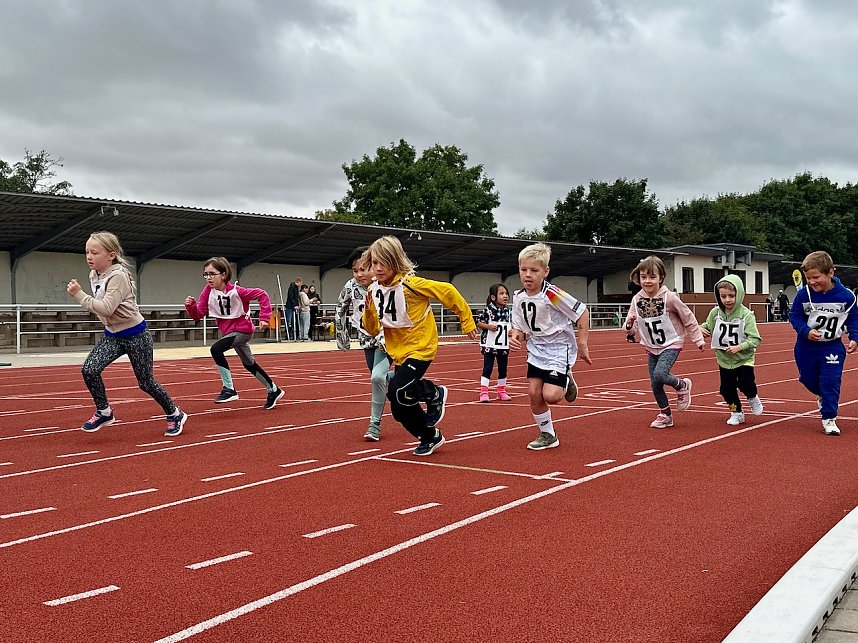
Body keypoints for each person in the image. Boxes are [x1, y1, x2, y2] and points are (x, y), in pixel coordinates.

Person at [362, 235, 478, 456]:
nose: (377, 268)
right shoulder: (374, 291)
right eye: (374, 263)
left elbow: (448, 292)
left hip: (421, 348)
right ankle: (430, 436)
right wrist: (368, 310)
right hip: (398, 352)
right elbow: (372, 328)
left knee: (397, 389)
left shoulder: (411, 284)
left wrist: (467, 320)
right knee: (398, 406)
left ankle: (433, 392)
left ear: (395, 261)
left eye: (383, 262)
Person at [67, 231, 187, 436]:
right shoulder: (93, 274)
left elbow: (105, 308)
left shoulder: (118, 276)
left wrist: (79, 294)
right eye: (87, 252)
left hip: (135, 334)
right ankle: (104, 412)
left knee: (146, 382)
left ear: (111, 255)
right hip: (113, 335)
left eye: (95, 252)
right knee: (89, 369)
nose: (89, 256)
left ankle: (175, 413)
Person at [509, 243, 591, 450]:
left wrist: (582, 343)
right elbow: (518, 326)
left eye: (534, 270)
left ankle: (567, 377)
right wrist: (515, 336)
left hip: (558, 348)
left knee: (552, 396)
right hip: (536, 349)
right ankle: (548, 434)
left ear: (545, 272)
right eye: (523, 269)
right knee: (534, 393)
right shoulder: (518, 297)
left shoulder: (552, 294)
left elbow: (582, 312)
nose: (528, 275)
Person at [184, 257, 284, 410]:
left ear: (223, 275)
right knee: (249, 364)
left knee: (216, 349)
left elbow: (262, 294)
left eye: (212, 274)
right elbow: (198, 314)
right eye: (205, 274)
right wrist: (190, 307)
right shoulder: (208, 293)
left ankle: (229, 389)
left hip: (243, 330)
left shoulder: (237, 292)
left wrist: (264, 317)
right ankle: (273, 389)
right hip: (229, 333)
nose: (208, 278)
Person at [623, 255, 704, 429]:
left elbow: (688, 317)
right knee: (655, 383)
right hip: (651, 346)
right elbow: (633, 322)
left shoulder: (670, 298)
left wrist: (697, 338)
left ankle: (682, 385)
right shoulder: (637, 299)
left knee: (660, 374)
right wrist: (629, 326)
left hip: (671, 343)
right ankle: (665, 414)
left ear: (661, 278)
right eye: (644, 277)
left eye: (652, 277)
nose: (647, 281)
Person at [789, 251, 858, 436]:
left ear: (830, 273)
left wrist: (854, 337)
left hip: (832, 346)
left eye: (816, 277)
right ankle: (821, 394)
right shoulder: (804, 295)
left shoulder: (847, 297)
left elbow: (853, 319)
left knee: (831, 381)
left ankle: (829, 418)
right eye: (808, 278)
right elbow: (794, 316)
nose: (811, 282)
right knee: (808, 379)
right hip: (806, 347)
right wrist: (805, 331)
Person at [335, 247, 389, 441]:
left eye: (363, 269)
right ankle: (429, 392)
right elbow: (340, 309)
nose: (359, 274)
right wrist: (343, 339)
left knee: (377, 378)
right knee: (381, 380)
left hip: (388, 339)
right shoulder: (350, 286)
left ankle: (374, 424)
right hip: (367, 340)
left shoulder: (384, 285)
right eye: (355, 270)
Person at [699, 275, 764, 425]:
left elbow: (755, 339)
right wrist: (700, 329)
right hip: (724, 360)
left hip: (744, 358)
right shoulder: (715, 313)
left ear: (739, 294)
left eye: (732, 296)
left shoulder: (746, 315)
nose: (727, 300)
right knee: (726, 390)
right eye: (723, 296)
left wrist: (739, 347)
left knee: (746, 383)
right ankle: (736, 411)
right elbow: (706, 326)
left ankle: (753, 397)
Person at [476, 283, 512, 402]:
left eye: (506, 293)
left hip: (503, 345)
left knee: (503, 369)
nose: (505, 296)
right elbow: (478, 323)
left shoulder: (509, 312)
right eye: (501, 294)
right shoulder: (487, 311)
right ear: (493, 297)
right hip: (489, 345)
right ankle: (483, 392)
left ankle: (501, 391)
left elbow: (511, 325)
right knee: (488, 368)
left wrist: (511, 332)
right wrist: (488, 326)